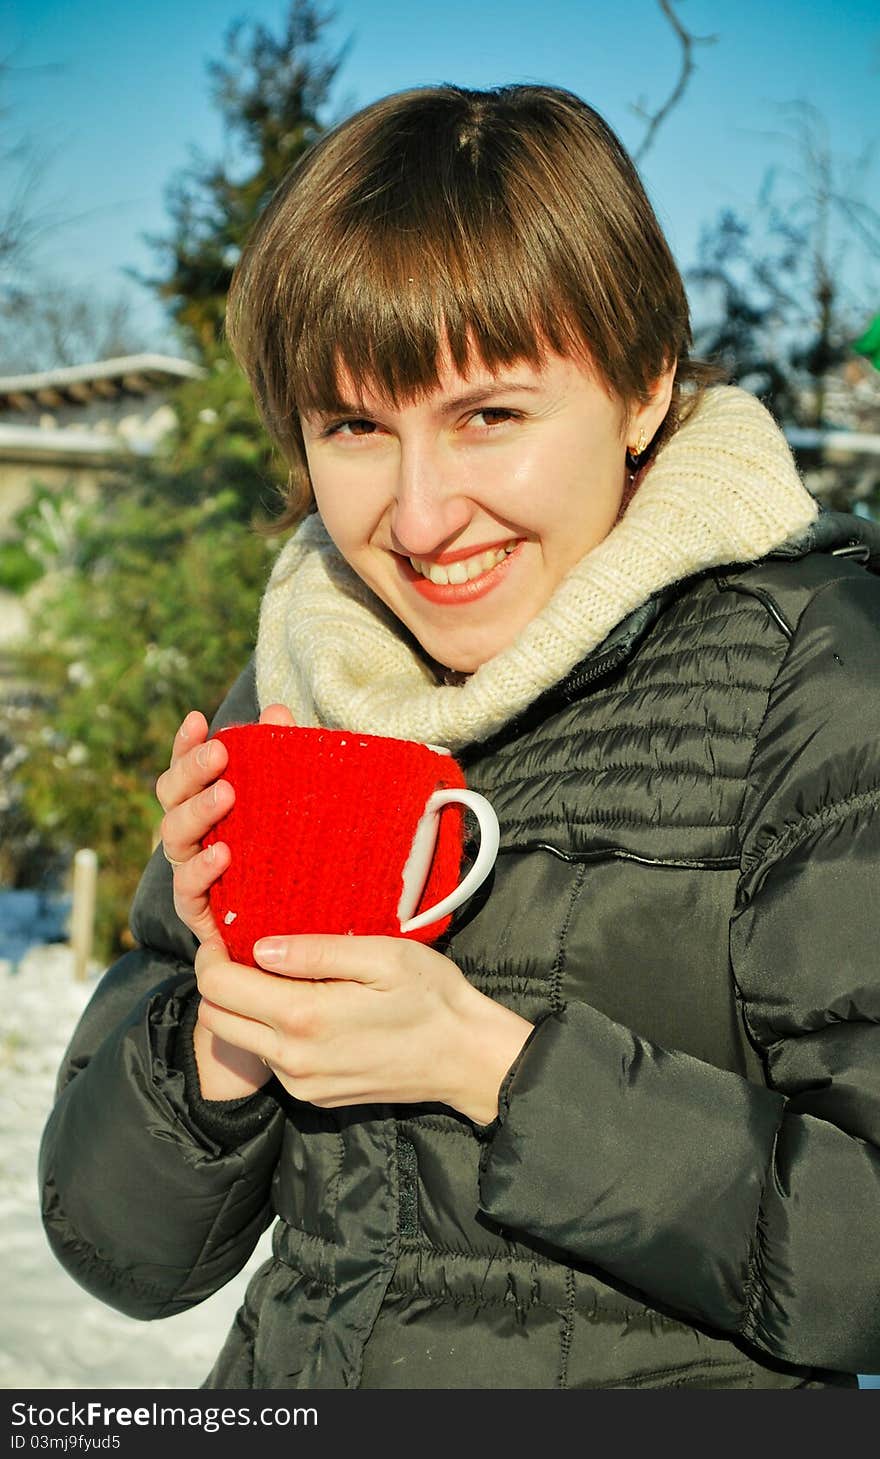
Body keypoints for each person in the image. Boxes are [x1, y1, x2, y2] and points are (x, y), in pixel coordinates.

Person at [38, 83, 880, 1391]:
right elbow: (122, 1254)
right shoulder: (302, 682)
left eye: (490, 414)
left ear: (644, 383)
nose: (423, 520)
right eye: (355, 428)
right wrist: (220, 1038)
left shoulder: (812, 675)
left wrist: (494, 1067)